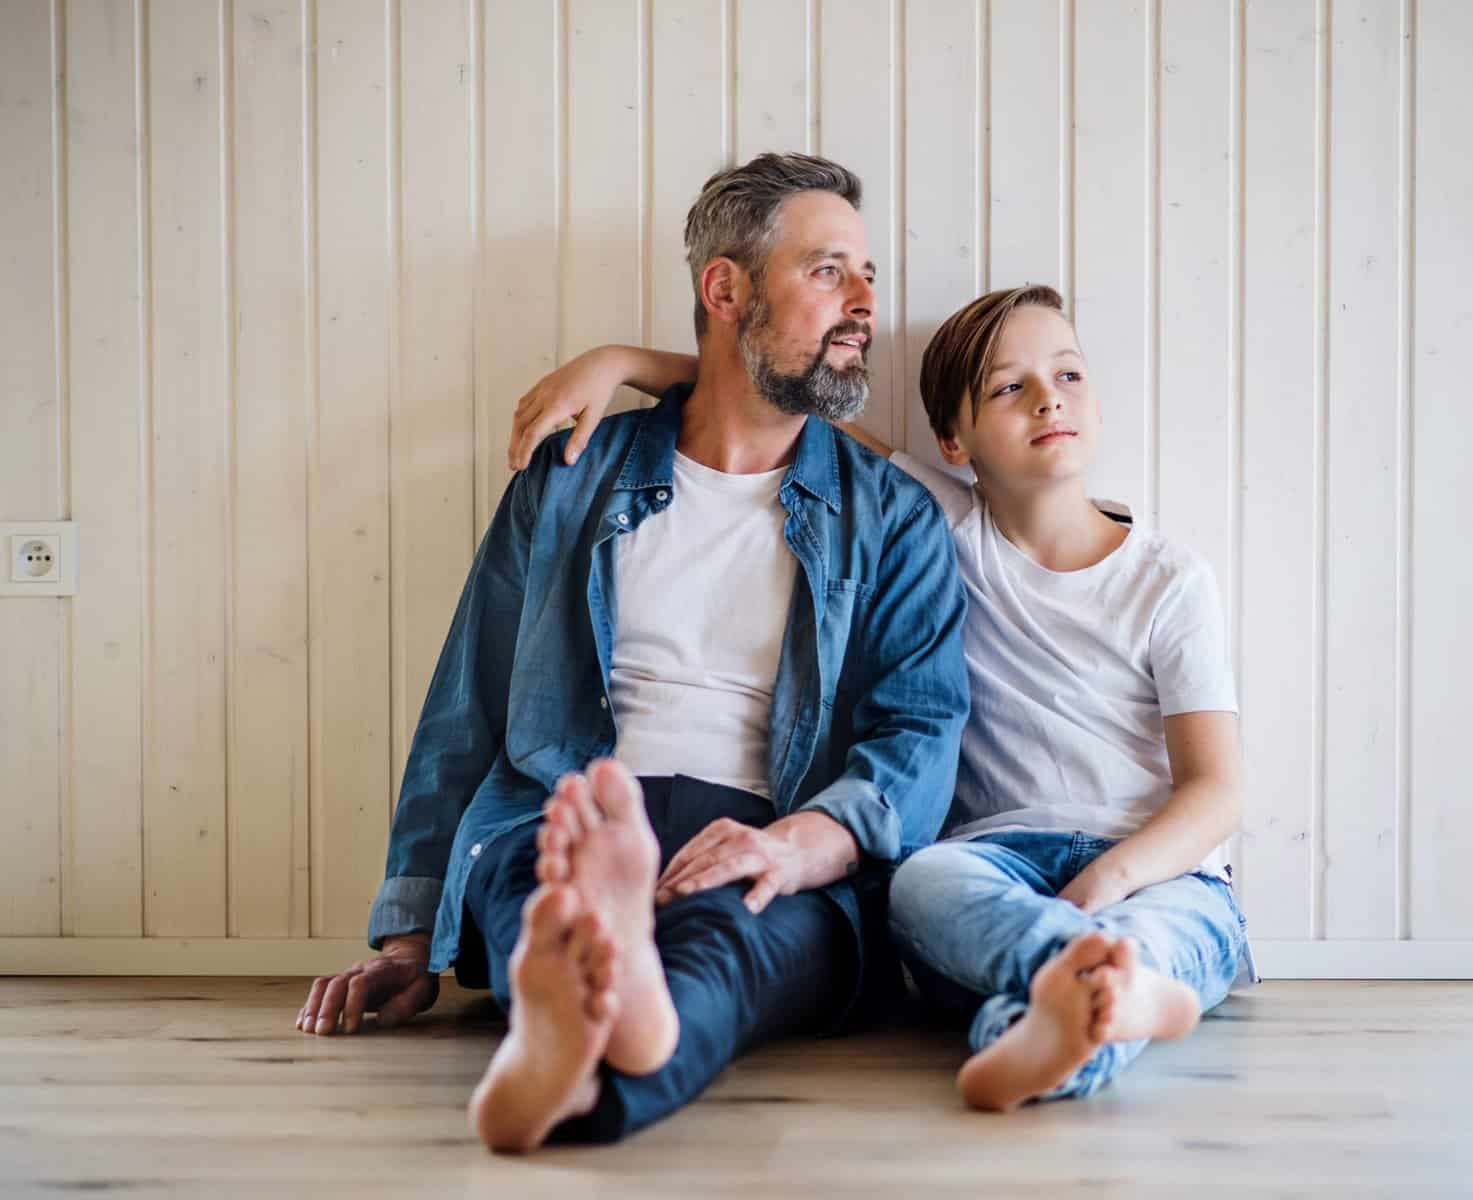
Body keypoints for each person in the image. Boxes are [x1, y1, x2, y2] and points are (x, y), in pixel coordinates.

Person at [292, 152, 970, 1153]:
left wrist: (792, 847)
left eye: (868, 274)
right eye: (830, 270)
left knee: (729, 949)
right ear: (725, 289)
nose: (866, 300)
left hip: (773, 830)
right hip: (574, 807)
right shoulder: (571, 477)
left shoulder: (894, 519)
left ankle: (576, 1047)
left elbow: (919, 731)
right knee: (550, 908)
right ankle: (606, 1013)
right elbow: (468, 704)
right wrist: (410, 934)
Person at [510, 283, 1256, 1113]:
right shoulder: (935, 522)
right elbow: (778, 400)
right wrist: (623, 363)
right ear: (954, 440)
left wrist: (1106, 882)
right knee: (917, 885)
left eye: (1070, 375)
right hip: (993, 865)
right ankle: (1107, 1002)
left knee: (1135, 942)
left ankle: (1072, 1009)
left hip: (1160, 875)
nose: (1049, 398)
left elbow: (1216, 790)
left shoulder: (1169, 579)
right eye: (1010, 388)